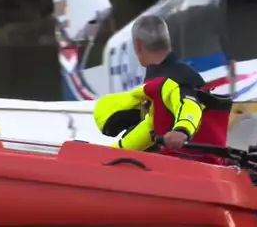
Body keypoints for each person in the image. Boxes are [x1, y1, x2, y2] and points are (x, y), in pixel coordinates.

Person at [93, 15, 232, 164]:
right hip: (182, 165)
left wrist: (182, 130)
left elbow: (189, 104)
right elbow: (150, 127)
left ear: (138, 45)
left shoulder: (174, 79)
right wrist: (111, 152)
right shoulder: (165, 78)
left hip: (193, 166)